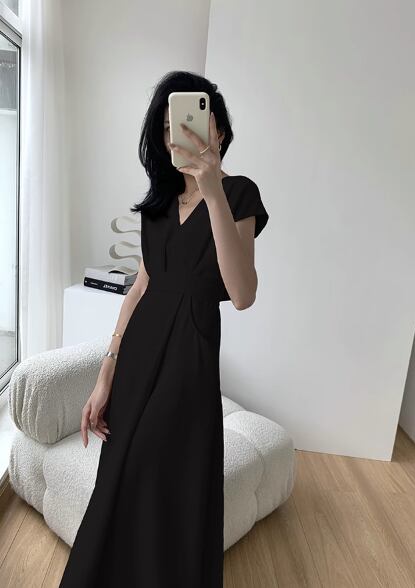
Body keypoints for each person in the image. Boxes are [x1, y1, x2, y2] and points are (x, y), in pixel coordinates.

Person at [58, 70, 269, 587]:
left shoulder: (238, 194)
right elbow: (139, 290)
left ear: (219, 132)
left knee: (163, 479)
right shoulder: (156, 205)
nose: (184, 135)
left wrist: (213, 192)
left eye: (196, 123)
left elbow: (242, 294)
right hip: (138, 354)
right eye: (173, 126)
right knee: (119, 476)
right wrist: (106, 373)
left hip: (189, 357)